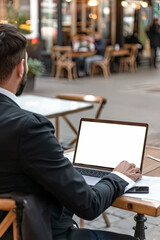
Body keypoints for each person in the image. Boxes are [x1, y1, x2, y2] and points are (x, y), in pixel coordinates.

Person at [0, 24, 141, 240]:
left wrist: (55, 156)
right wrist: (118, 176)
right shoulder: (29, 128)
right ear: (21, 68)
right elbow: (88, 205)